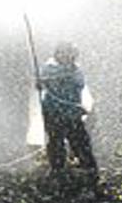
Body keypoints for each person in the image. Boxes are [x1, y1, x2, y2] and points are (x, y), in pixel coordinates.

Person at [37, 41, 97, 174]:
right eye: (62, 52)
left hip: (72, 113)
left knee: (80, 142)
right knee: (55, 142)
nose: (66, 56)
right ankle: (57, 170)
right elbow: (45, 80)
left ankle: (89, 169)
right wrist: (41, 83)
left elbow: (77, 84)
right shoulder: (48, 68)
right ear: (57, 54)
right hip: (53, 112)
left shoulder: (76, 70)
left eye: (69, 53)